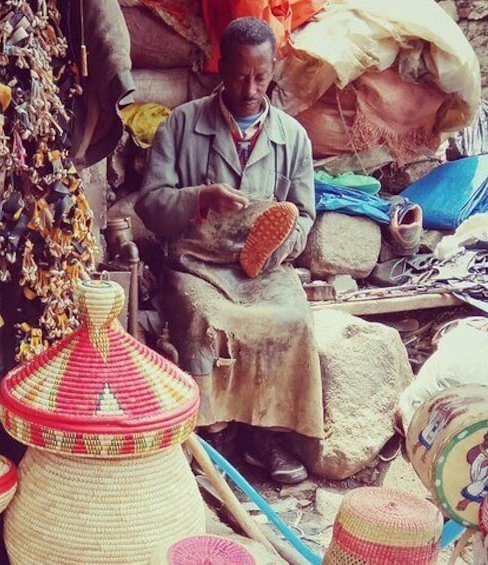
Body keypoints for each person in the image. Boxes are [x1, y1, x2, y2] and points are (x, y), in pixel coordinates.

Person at [136, 17, 322, 484]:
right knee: (203, 319)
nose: (250, 87)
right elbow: (150, 204)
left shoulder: (293, 136)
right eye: (239, 75)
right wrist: (200, 198)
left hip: (261, 269)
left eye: (260, 76)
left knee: (292, 320)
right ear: (220, 67)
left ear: (273, 69)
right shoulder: (182, 123)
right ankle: (213, 434)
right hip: (196, 264)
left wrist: (280, 242)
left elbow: (303, 213)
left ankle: (264, 435)